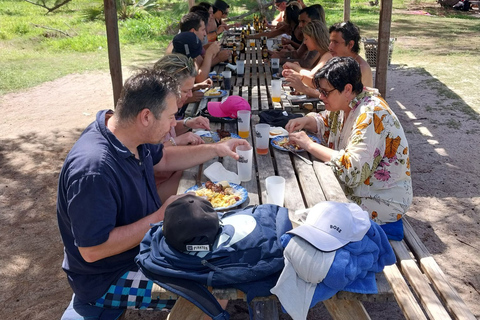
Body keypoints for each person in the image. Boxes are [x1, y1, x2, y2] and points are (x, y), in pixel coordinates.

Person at [57, 68, 249, 319]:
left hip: (144, 248)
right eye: (171, 117)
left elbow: (165, 158)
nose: (174, 125)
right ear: (146, 116)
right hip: (106, 278)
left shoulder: (130, 134)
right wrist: (160, 216)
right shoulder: (94, 169)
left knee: (220, 259)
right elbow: (92, 250)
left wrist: (217, 149)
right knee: (214, 292)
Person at [285, 57, 412, 240]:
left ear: (347, 89)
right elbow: (327, 123)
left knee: (308, 211)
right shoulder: (347, 103)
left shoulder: (371, 115)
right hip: (358, 190)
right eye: (320, 90)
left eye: (325, 92)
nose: (320, 96)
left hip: (381, 200)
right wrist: (306, 121)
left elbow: (352, 171)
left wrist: (309, 145)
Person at [153, 53, 211, 202]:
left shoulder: (166, 107)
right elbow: (151, 158)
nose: (190, 95)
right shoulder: (151, 113)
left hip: (174, 171)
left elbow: (168, 130)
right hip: (157, 189)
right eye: (186, 91)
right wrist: (177, 141)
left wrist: (188, 123)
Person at [282, 20, 333, 98]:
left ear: (315, 38)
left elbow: (312, 76)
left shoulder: (328, 55)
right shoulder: (322, 53)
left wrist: (294, 67)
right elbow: (317, 79)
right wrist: (299, 72)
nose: (304, 43)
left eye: (306, 39)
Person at [328, 21, 373, 87]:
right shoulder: (339, 61)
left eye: (336, 42)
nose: (330, 47)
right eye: (330, 41)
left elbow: (340, 94)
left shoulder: (360, 68)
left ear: (350, 44)